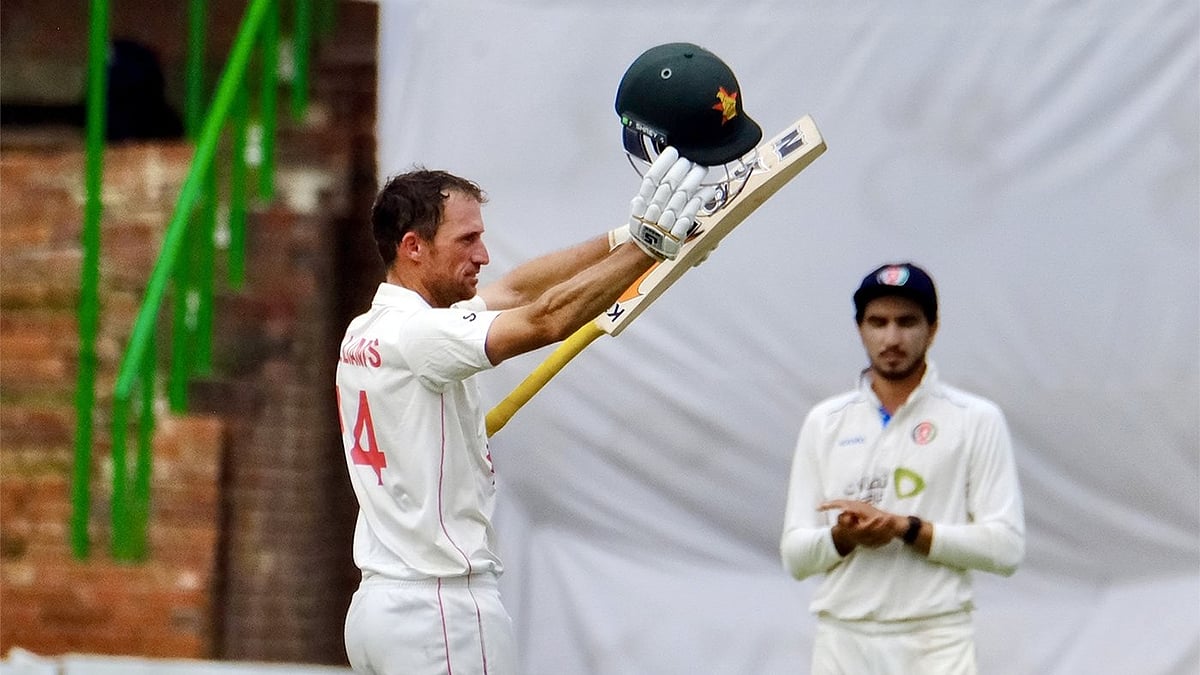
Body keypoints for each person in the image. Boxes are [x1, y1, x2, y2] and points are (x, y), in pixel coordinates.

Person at [334, 148, 715, 674]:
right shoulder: (422, 334)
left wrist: (625, 239)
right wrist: (649, 249)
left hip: (378, 610)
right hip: (441, 610)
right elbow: (545, 319)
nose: (483, 255)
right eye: (467, 240)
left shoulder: (367, 329)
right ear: (413, 247)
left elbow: (517, 290)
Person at [779, 262, 1025, 675]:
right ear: (860, 328)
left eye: (907, 322)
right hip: (843, 640)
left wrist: (906, 528)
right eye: (878, 322)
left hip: (937, 639)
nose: (892, 338)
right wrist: (843, 536)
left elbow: (1006, 549)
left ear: (933, 328)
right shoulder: (826, 421)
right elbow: (795, 557)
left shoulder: (975, 419)